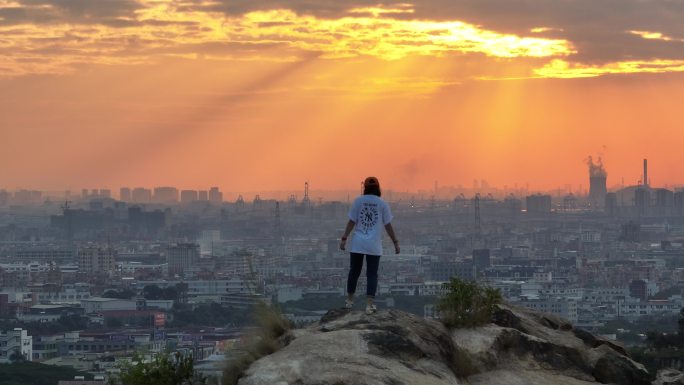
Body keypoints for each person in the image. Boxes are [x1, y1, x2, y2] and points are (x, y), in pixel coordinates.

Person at [340, 176, 399, 315]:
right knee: (372, 274)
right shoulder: (382, 204)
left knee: (354, 271)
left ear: (365, 188)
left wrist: (344, 238)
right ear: (378, 188)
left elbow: (351, 222)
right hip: (374, 245)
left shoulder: (358, 201)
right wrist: (395, 242)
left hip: (358, 243)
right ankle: (369, 305)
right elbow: (388, 225)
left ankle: (349, 301)